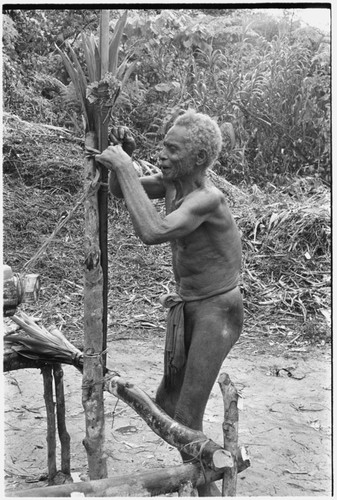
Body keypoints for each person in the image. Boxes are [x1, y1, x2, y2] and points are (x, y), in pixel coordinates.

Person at [96, 110, 243, 496]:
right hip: (189, 304)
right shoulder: (171, 183)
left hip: (218, 309)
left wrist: (125, 165)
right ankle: (203, 476)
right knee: (166, 402)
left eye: (171, 150)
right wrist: (122, 163)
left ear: (196, 159)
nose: (161, 154)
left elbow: (153, 231)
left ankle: (206, 488)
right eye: (162, 145)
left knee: (184, 415)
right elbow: (118, 191)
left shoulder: (207, 199)